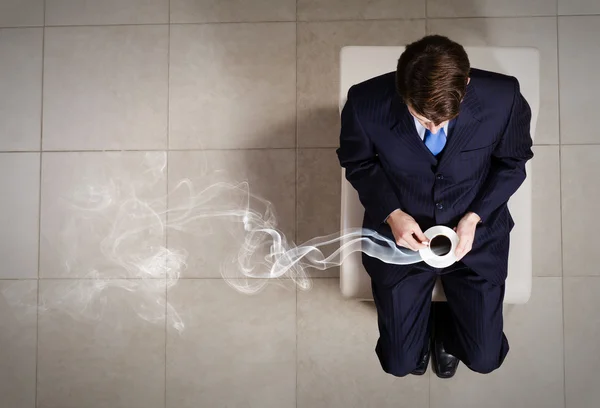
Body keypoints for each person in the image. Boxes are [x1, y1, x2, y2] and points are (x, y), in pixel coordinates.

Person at [336, 35, 534, 378]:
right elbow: (358, 163)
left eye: (442, 121)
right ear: (402, 91)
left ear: (467, 82)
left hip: (475, 234)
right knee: (399, 364)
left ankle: (446, 326)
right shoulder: (364, 102)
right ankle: (420, 330)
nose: (434, 127)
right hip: (401, 233)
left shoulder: (505, 97)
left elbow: (513, 161)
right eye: (423, 118)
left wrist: (475, 217)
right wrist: (392, 213)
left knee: (485, 360)